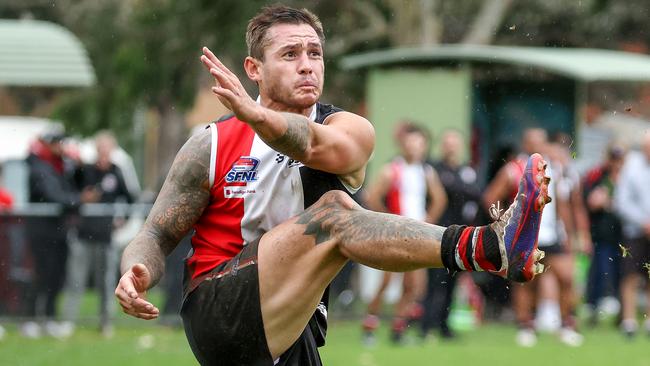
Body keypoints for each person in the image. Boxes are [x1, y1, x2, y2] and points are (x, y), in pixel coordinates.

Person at [115, 5, 550, 365]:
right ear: (254, 69)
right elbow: (156, 233)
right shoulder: (208, 144)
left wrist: (259, 118)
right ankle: (489, 247)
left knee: (334, 215)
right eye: (290, 55)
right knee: (334, 214)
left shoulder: (347, 128)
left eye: (315, 53)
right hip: (218, 310)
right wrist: (137, 272)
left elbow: (321, 146)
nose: (307, 65)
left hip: (293, 323)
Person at [483, 128, 582, 347]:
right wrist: (504, 223)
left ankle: (567, 325)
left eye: (541, 143)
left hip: (553, 234)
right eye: (532, 143)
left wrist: (570, 232)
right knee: (525, 282)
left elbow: (563, 204)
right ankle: (526, 325)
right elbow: (491, 197)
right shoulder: (513, 170)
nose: (537, 147)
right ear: (525, 146)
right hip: (525, 235)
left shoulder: (553, 168)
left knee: (567, 277)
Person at [361, 122, 447, 345]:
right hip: (395, 234)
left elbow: (440, 199)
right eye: (411, 142)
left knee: (416, 286)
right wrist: (390, 220)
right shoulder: (392, 170)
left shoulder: (426, 172)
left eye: (420, 143)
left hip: (417, 234)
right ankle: (369, 326)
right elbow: (372, 197)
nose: (416, 147)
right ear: (402, 145)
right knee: (387, 282)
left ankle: (398, 330)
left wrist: (428, 221)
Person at [23, 127, 97, 339]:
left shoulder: (60, 165)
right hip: (41, 232)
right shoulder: (38, 167)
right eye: (56, 142)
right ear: (46, 144)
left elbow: (79, 185)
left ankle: (48, 317)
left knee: (56, 277)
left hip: (58, 231)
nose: (60, 146)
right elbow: (54, 195)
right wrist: (79, 200)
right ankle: (29, 319)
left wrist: (80, 167)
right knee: (40, 276)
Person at [61, 131, 134, 338]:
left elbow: (130, 198)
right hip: (83, 234)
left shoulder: (117, 171)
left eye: (107, 150)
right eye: (100, 150)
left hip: (105, 236)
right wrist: (82, 199)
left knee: (106, 281)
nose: (103, 154)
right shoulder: (84, 170)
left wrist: (123, 220)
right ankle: (68, 321)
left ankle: (105, 323)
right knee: (76, 279)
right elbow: (69, 192)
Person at [420, 129, 481, 340]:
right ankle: (426, 326)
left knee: (452, 282)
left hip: (460, 235)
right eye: (447, 143)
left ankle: (444, 327)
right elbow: (454, 190)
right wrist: (460, 188)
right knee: (433, 282)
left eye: (454, 143)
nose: (451, 147)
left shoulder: (467, 170)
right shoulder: (433, 168)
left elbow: (477, 193)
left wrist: (458, 188)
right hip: (436, 233)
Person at [583, 142, 626, 325]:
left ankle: (622, 314)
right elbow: (588, 202)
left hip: (624, 234)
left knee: (622, 274)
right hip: (602, 234)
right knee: (600, 272)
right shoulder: (597, 175)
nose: (616, 163)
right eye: (613, 158)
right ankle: (592, 308)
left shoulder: (628, 176)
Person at [614, 133, 650, 338]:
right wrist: (643, 222)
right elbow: (622, 201)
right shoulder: (631, 166)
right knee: (630, 275)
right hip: (634, 231)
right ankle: (629, 321)